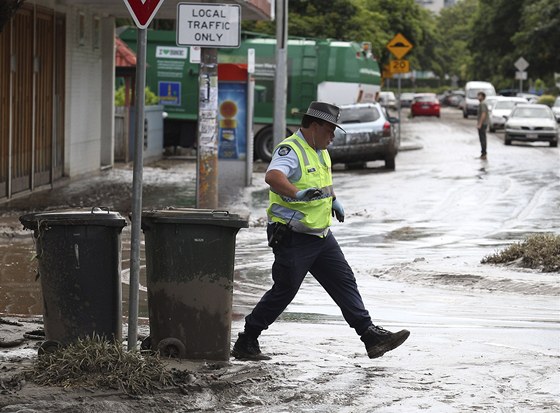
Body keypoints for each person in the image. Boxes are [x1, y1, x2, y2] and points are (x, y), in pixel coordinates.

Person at [231, 101, 410, 361]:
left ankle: (370, 336)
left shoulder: (321, 151)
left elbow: (323, 183)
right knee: (285, 290)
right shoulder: (290, 149)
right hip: (293, 236)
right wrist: (296, 193)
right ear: (314, 126)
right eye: (330, 129)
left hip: (320, 234)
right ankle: (247, 339)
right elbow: (273, 176)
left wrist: (334, 200)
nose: (333, 136)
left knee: (344, 281)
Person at [477, 91, 489, 160]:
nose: (478, 97)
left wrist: (480, 124)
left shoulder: (483, 104)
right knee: (482, 138)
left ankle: (484, 153)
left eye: (479, 96)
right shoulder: (482, 103)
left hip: (483, 124)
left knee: (482, 139)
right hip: (483, 123)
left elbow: (483, 114)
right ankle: (483, 153)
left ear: (483, 97)